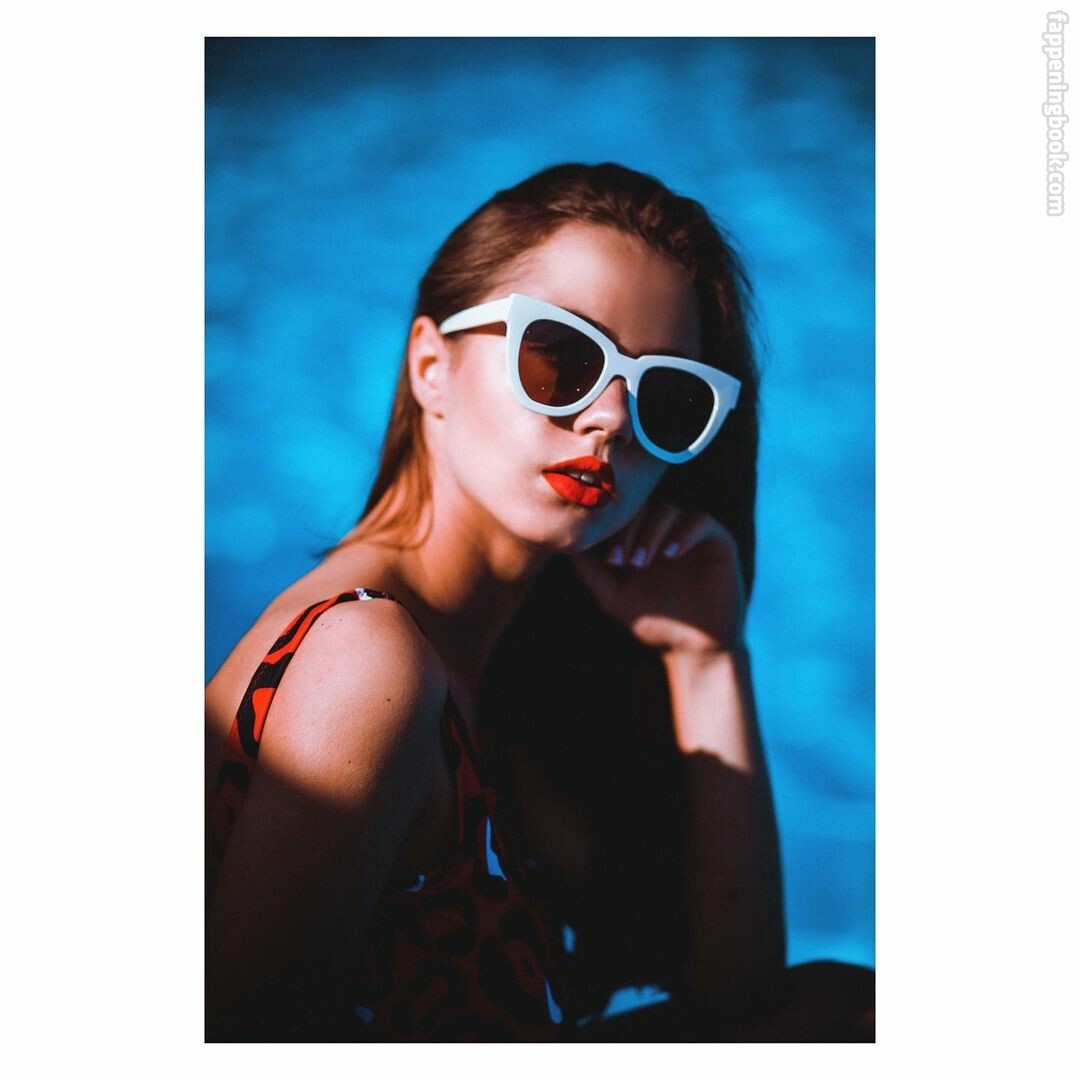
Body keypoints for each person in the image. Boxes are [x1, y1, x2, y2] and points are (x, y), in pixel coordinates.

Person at [205, 162, 874, 1042]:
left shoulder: (510, 681)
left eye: (669, 396)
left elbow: (738, 999)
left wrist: (707, 655)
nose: (612, 419)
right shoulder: (366, 661)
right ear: (431, 366)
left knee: (841, 1006)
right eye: (561, 356)